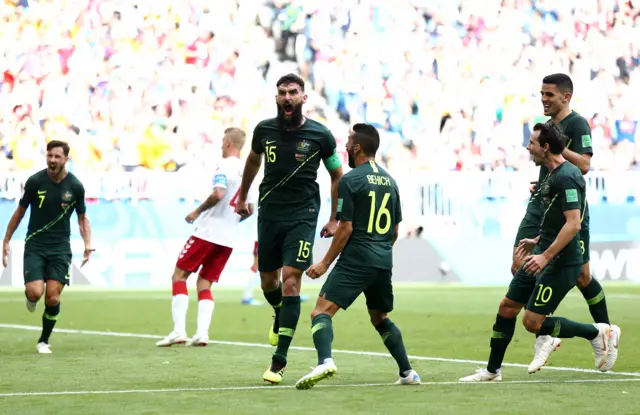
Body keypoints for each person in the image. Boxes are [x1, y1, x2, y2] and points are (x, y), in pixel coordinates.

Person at [459, 123, 620, 382]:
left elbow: (573, 223)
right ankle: (492, 371)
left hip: (560, 262)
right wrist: (538, 241)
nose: (527, 147)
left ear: (545, 147)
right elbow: (556, 219)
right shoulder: (551, 175)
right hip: (543, 253)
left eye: (532, 143)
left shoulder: (567, 176)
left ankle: (596, 332)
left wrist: (545, 255)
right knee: (507, 306)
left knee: (532, 322)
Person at [235, 73, 343, 384]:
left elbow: (337, 175)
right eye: (282, 92)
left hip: (303, 215)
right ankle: (280, 312)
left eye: (293, 92)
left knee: (290, 281)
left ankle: (279, 360)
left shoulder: (320, 135)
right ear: (276, 97)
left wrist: (335, 217)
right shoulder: (264, 130)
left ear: (303, 98)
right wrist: (242, 196)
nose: (287, 97)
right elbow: (254, 161)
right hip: (269, 212)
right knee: (269, 282)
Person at [295, 123, 420, 390]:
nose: (345, 147)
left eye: (349, 142)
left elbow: (346, 227)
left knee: (320, 312)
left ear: (358, 148)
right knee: (380, 318)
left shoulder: (350, 180)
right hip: (383, 260)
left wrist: (325, 263)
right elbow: (395, 230)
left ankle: (325, 361)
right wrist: (380, 252)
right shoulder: (391, 182)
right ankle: (407, 372)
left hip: (357, 258)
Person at [512, 73, 617, 372]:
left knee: (582, 275)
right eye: (541, 94)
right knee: (524, 266)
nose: (543, 99)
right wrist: (544, 182)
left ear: (566, 97)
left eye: (549, 95)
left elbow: (583, 165)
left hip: (572, 210)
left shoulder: (577, 124)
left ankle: (595, 331)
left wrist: (555, 148)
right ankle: (565, 330)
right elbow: (554, 166)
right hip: (548, 204)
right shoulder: (548, 127)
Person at [156, 127, 255, 347]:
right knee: (204, 283)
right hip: (229, 237)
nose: (221, 145)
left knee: (179, 276)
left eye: (222, 141)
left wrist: (196, 212)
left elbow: (218, 193)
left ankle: (178, 331)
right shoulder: (249, 172)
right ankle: (202, 333)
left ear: (229, 142)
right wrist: (232, 221)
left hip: (208, 231)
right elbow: (250, 209)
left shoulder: (224, 166)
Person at [2, 140, 93, 354]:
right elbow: (20, 211)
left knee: (52, 297)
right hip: (35, 244)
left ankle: (43, 340)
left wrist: (88, 244)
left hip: (60, 248)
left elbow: (82, 218)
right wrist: (6, 239)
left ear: (65, 159)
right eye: (49, 156)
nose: (52, 160)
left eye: (57, 157)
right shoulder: (35, 181)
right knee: (35, 293)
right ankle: (30, 297)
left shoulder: (75, 186)